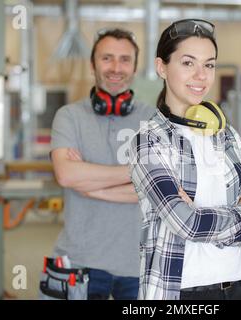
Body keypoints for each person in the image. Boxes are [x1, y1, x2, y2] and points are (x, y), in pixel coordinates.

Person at [128, 19, 241, 300]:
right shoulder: (149, 140)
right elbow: (188, 225)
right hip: (180, 291)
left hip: (237, 285)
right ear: (162, 67)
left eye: (209, 64)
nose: (201, 75)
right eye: (188, 63)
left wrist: (205, 218)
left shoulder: (226, 135)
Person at [49, 28, 155, 300]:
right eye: (107, 58)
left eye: (124, 59)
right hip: (78, 260)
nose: (116, 67)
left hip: (140, 265)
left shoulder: (154, 119)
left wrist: (90, 184)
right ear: (92, 64)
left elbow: (157, 190)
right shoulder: (69, 116)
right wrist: (137, 172)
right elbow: (66, 174)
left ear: (134, 66)